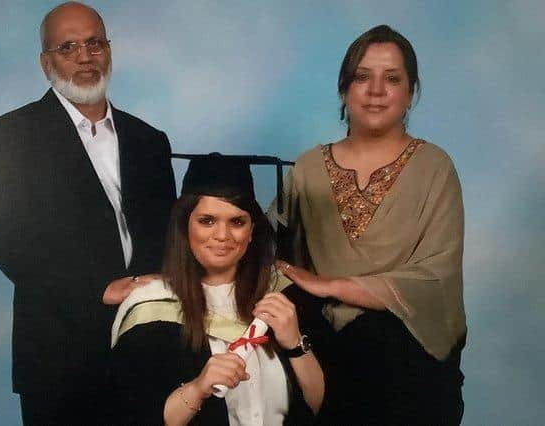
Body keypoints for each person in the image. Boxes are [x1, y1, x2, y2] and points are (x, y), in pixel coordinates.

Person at [0, 2, 176, 424]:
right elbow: (10, 244)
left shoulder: (150, 140)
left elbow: (167, 238)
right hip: (59, 352)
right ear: (45, 62)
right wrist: (99, 290)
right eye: (68, 47)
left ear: (109, 49)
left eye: (95, 43)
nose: (85, 57)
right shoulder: (10, 135)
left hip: (146, 343)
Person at [271, 25, 467, 425]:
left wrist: (333, 285)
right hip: (320, 352)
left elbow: (436, 277)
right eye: (363, 77)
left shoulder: (434, 167)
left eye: (392, 78)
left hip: (406, 362)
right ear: (344, 89)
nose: (376, 90)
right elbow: (265, 246)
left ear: (410, 93)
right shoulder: (309, 167)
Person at [109, 154, 326, 425]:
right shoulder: (152, 307)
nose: (222, 235)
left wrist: (295, 344)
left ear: (251, 230)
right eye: (207, 221)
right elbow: (134, 415)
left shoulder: (284, 295)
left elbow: (322, 406)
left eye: (237, 222)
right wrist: (198, 388)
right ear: (184, 226)